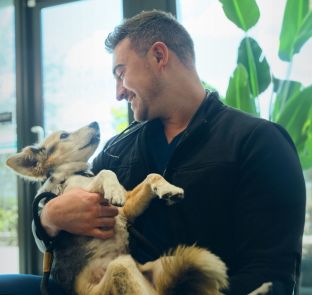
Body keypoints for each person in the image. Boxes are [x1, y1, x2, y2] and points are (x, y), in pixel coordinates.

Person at [0, 10, 306, 295]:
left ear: (159, 55)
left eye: (121, 73)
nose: (118, 91)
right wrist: (49, 217)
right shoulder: (117, 152)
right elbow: (57, 221)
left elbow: (271, 275)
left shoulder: (259, 142)